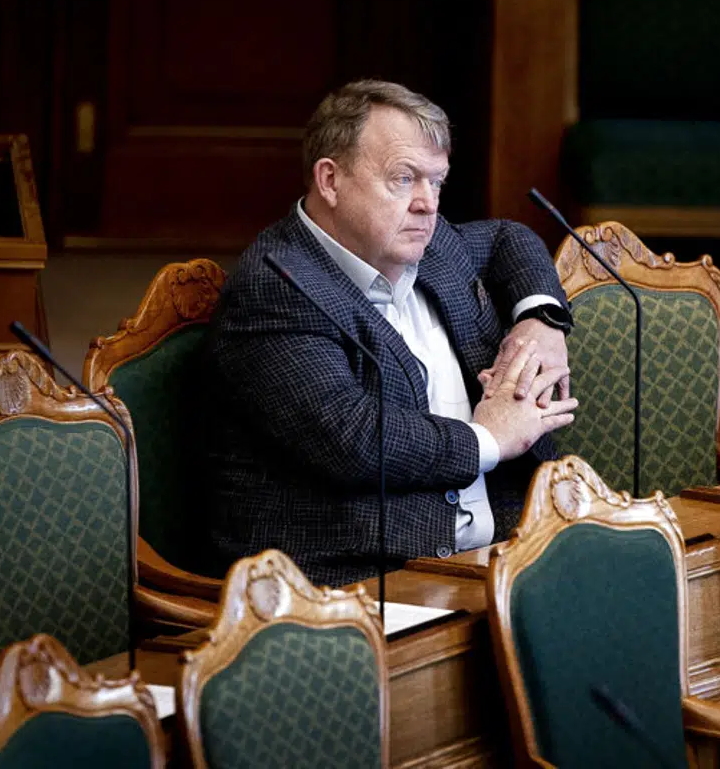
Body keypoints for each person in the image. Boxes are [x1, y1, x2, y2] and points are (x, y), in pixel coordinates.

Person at [204, 80, 578, 586]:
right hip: (361, 590)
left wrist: (542, 318)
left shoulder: (426, 240)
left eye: (437, 182)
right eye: (404, 179)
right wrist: (492, 438)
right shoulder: (276, 289)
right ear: (330, 181)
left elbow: (506, 239)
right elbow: (352, 437)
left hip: (511, 554)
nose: (428, 204)